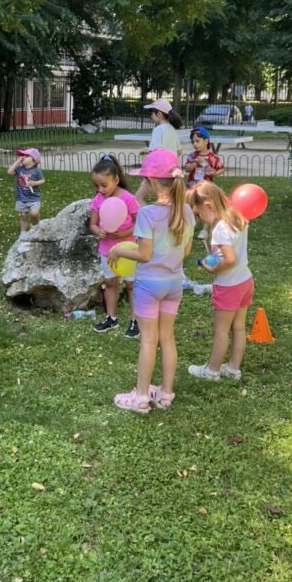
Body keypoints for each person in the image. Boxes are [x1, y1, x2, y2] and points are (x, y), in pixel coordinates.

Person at [109, 149, 194, 413]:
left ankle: (142, 397)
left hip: (149, 285)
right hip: (174, 283)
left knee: (148, 340)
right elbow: (187, 251)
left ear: (153, 182)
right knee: (167, 338)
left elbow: (144, 255)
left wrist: (119, 250)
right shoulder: (187, 211)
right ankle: (166, 394)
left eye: (145, 179)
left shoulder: (147, 214)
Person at [186, 182, 253, 382]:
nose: (199, 218)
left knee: (221, 330)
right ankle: (233, 369)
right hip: (245, 280)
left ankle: (212, 371)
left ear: (208, 205)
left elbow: (230, 259)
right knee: (238, 327)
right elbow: (232, 252)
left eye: (198, 213)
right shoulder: (238, 217)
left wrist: (213, 269)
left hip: (228, 285)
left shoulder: (221, 229)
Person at [88, 154, 141, 337]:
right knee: (110, 282)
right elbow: (93, 224)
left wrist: (124, 234)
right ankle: (111, 317)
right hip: (107, 250)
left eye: (104, 185)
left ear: (116, 180)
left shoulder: (128, 199)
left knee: (131, 284)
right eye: (96, 186)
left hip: (128, 250)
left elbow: (140, 223)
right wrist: (98, 231)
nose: (100, 190)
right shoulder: (98, 200)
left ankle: (135, 320)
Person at [7, 148, 45, 232]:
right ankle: (23, 233)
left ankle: (35, 226)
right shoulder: (20, 169)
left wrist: (34, 183)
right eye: (23, 155)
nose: (23, 157)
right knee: (23, 215)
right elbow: (9, 172)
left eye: (27, 156)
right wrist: (18, 161)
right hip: (21, 198)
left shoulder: (37, 170)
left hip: (34, 198)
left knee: (34, 214)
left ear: (33, 161)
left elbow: (42, 180)